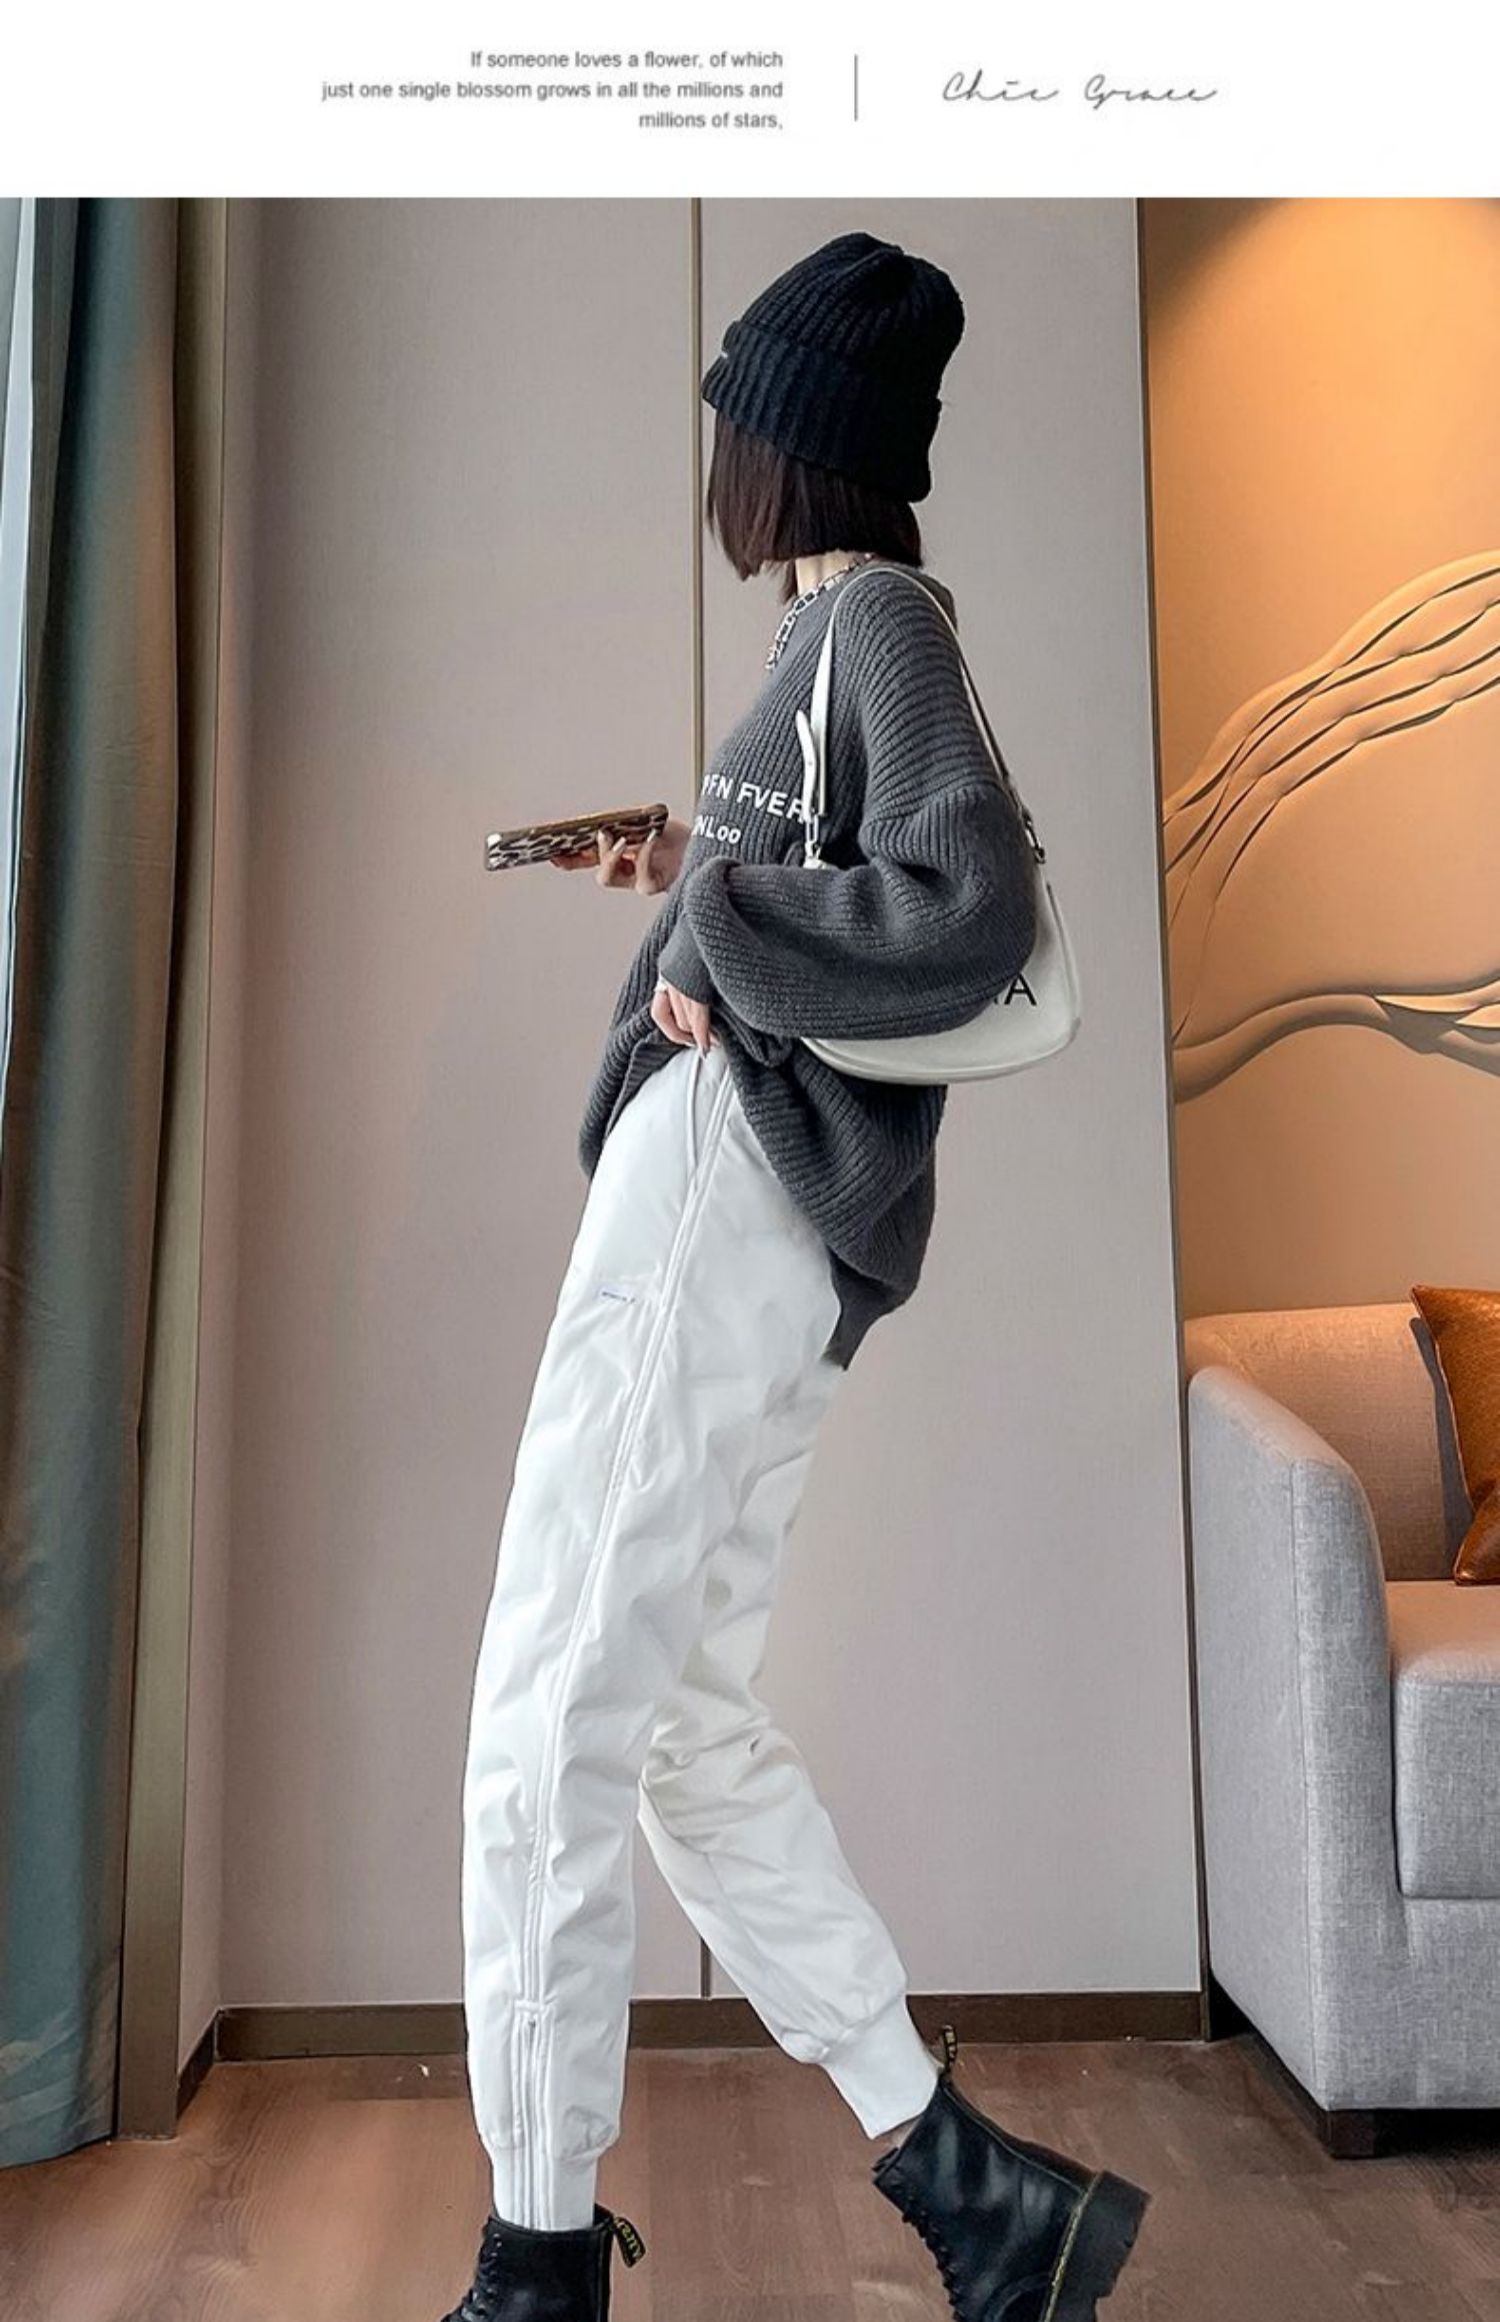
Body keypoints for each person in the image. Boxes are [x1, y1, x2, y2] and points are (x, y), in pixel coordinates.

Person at [441, 232, 1150, 2322]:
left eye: (735, 425)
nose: (717, 465)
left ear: (794, 442)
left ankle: (536, 2261)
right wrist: (692, 875)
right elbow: (839, 885)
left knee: (548, 1718)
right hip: (755, 1216)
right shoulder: (832, 630)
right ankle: (972, 2186)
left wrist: (723, 935)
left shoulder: (885, 624)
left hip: (721, 1201)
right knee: (677, 1730)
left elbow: (965, 904)